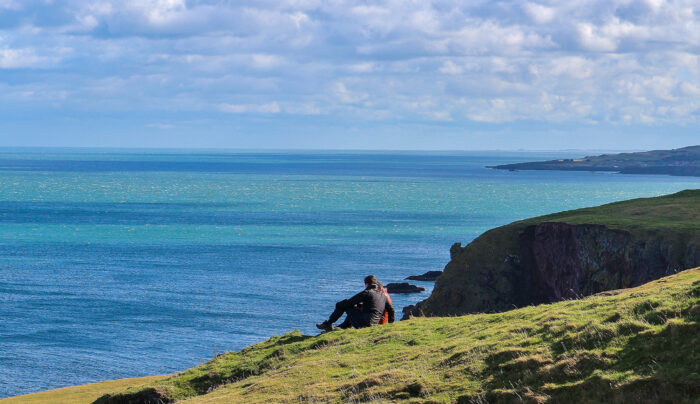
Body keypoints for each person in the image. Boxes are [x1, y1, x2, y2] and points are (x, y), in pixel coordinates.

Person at [316, 275, 395, 331]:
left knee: (343, 304)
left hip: (364, 323)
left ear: (366, 284)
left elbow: (350, 302)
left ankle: (328, 323)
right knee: (352, 307)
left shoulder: (367, 292)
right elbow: (391, 310)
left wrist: (339, 305)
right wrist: (391, 324)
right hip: (374, 323)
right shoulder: (383, 296)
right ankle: (343, 326)